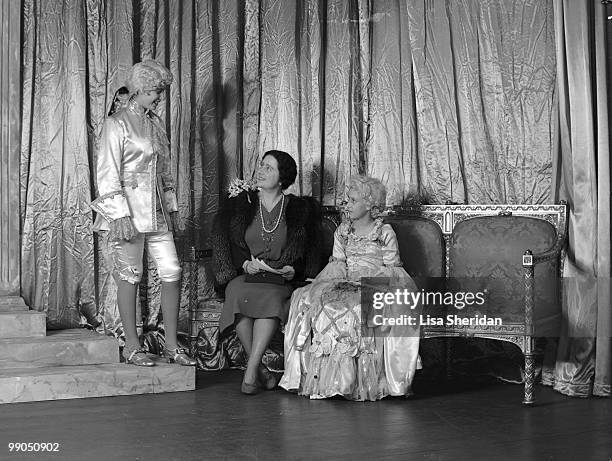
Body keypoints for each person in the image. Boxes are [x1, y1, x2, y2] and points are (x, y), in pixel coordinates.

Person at [91, 60, 196, 367]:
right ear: (140, 88)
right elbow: (107, 173)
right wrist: (118, 215)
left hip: (157, 212)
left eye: (161, 91)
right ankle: (132, 346)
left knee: (172, 270)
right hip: (129, 214)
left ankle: (172, 346)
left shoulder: (155, 124)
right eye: (155, 91)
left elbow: (164, 173)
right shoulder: (117, 123)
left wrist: (172, 209)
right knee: (130, 274)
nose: (159, 97)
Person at [279, 176, 421, 401]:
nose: (347, 205)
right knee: (318, 301)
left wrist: (371, 284)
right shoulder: (343, 231)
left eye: (352, 200)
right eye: (346, 200)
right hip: (346, 281)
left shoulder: (384, 232)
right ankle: (327, 380)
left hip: (375, 282)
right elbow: (337, 264)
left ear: (370, 204)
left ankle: (355, 381)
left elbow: (391, 268)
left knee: (358, 308)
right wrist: (332, 284)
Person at [212, 150, 321, 394]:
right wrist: (243, 265)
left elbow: (310, 251)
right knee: (237, 293)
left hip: (278, 279)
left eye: (269, 168)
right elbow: (227, 242)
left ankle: (252, 371)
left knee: (272, 298)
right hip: (247, 275)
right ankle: (257, 370)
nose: (261, 171)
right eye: (261, 165)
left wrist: (296, 271)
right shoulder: (242, 204)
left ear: (283, 178)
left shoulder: (299, 209)